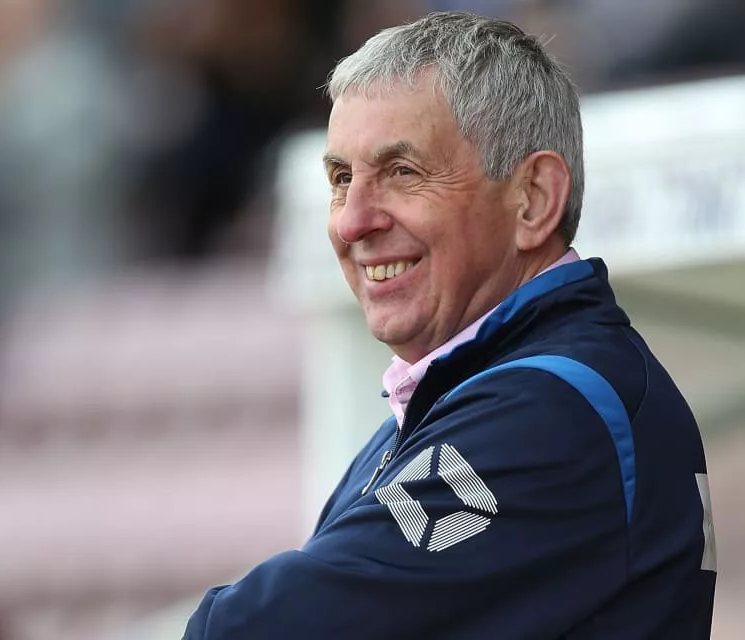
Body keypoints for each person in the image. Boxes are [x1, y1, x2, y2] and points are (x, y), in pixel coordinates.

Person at [184, 11, 716, 639]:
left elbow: (256, 631)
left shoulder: (549, 414)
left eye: (402, 172)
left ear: (534, 199)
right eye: (342, 179)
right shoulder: (488, 403)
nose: (352, 221)